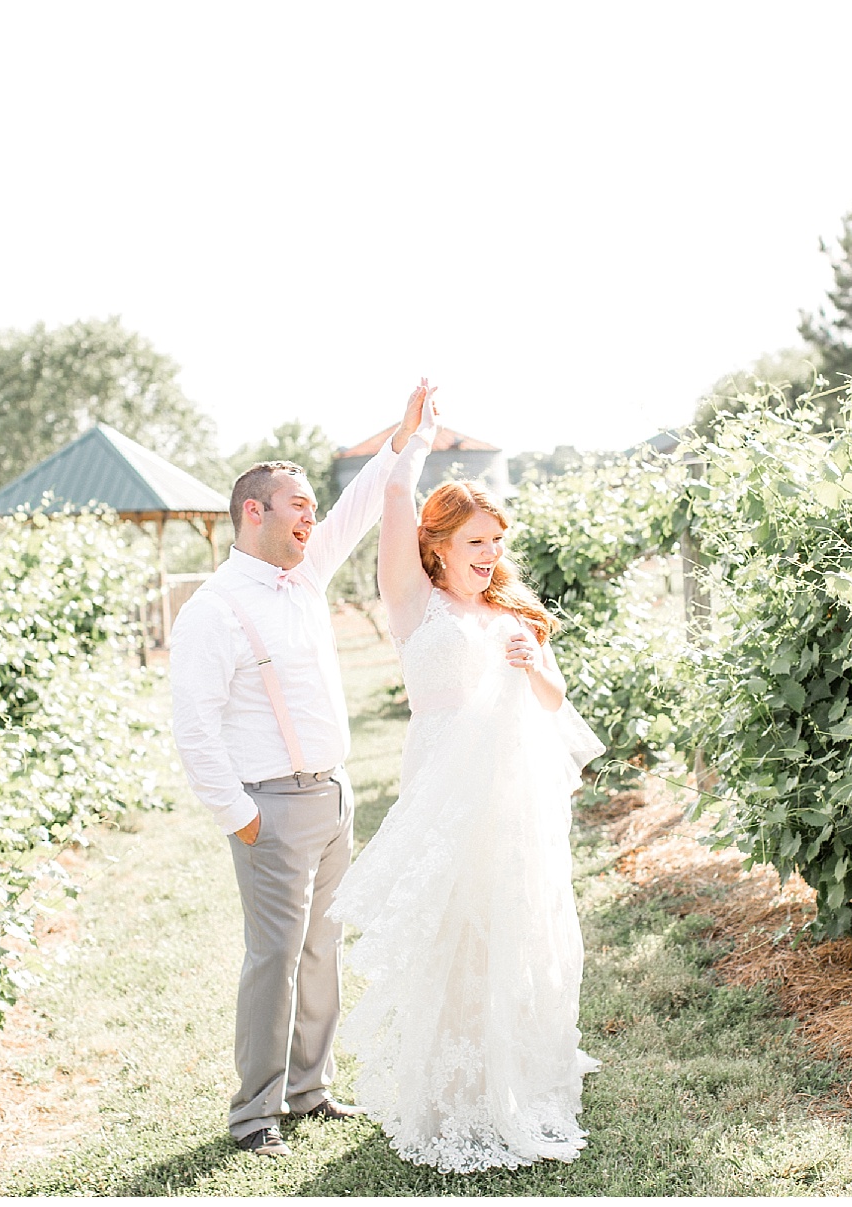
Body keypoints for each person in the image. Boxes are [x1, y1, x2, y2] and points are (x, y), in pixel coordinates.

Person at [326, 395, 603, 1173]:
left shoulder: (512, 614)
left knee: (511, 928)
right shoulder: (415, 603)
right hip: (441, 792)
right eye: (476, 542)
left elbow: (553, 705)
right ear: (438, 544)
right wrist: (410, 440)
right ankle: (451, 1094)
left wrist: (535, 664)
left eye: (496, 543)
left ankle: (514, 1076)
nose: (489, 555)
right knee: (452, 932)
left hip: (512, 800)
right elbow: (391, 500)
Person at [168, 380, 436, 1159]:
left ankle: (309, 1089)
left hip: (334, 796)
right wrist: (242, 818)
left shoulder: (305, 574)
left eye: (312, 505)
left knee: (323, 952)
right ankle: (255, 1114)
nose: (312, 516)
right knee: (274, 960)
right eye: (298, 506)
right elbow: (195, 728)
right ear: (254, 512)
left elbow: (358, 505)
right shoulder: (213, 609)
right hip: (270, 809)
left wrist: (407, 437)